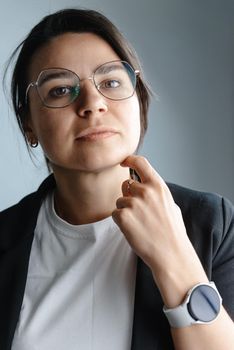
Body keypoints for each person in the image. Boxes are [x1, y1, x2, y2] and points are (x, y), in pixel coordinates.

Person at [1, 8, 233, 350]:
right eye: (61, 90)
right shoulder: (6, 239)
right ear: (28, 124)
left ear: (139, 100)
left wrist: (174, 256)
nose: (93, 103)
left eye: (110, 82)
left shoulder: (213, 223)